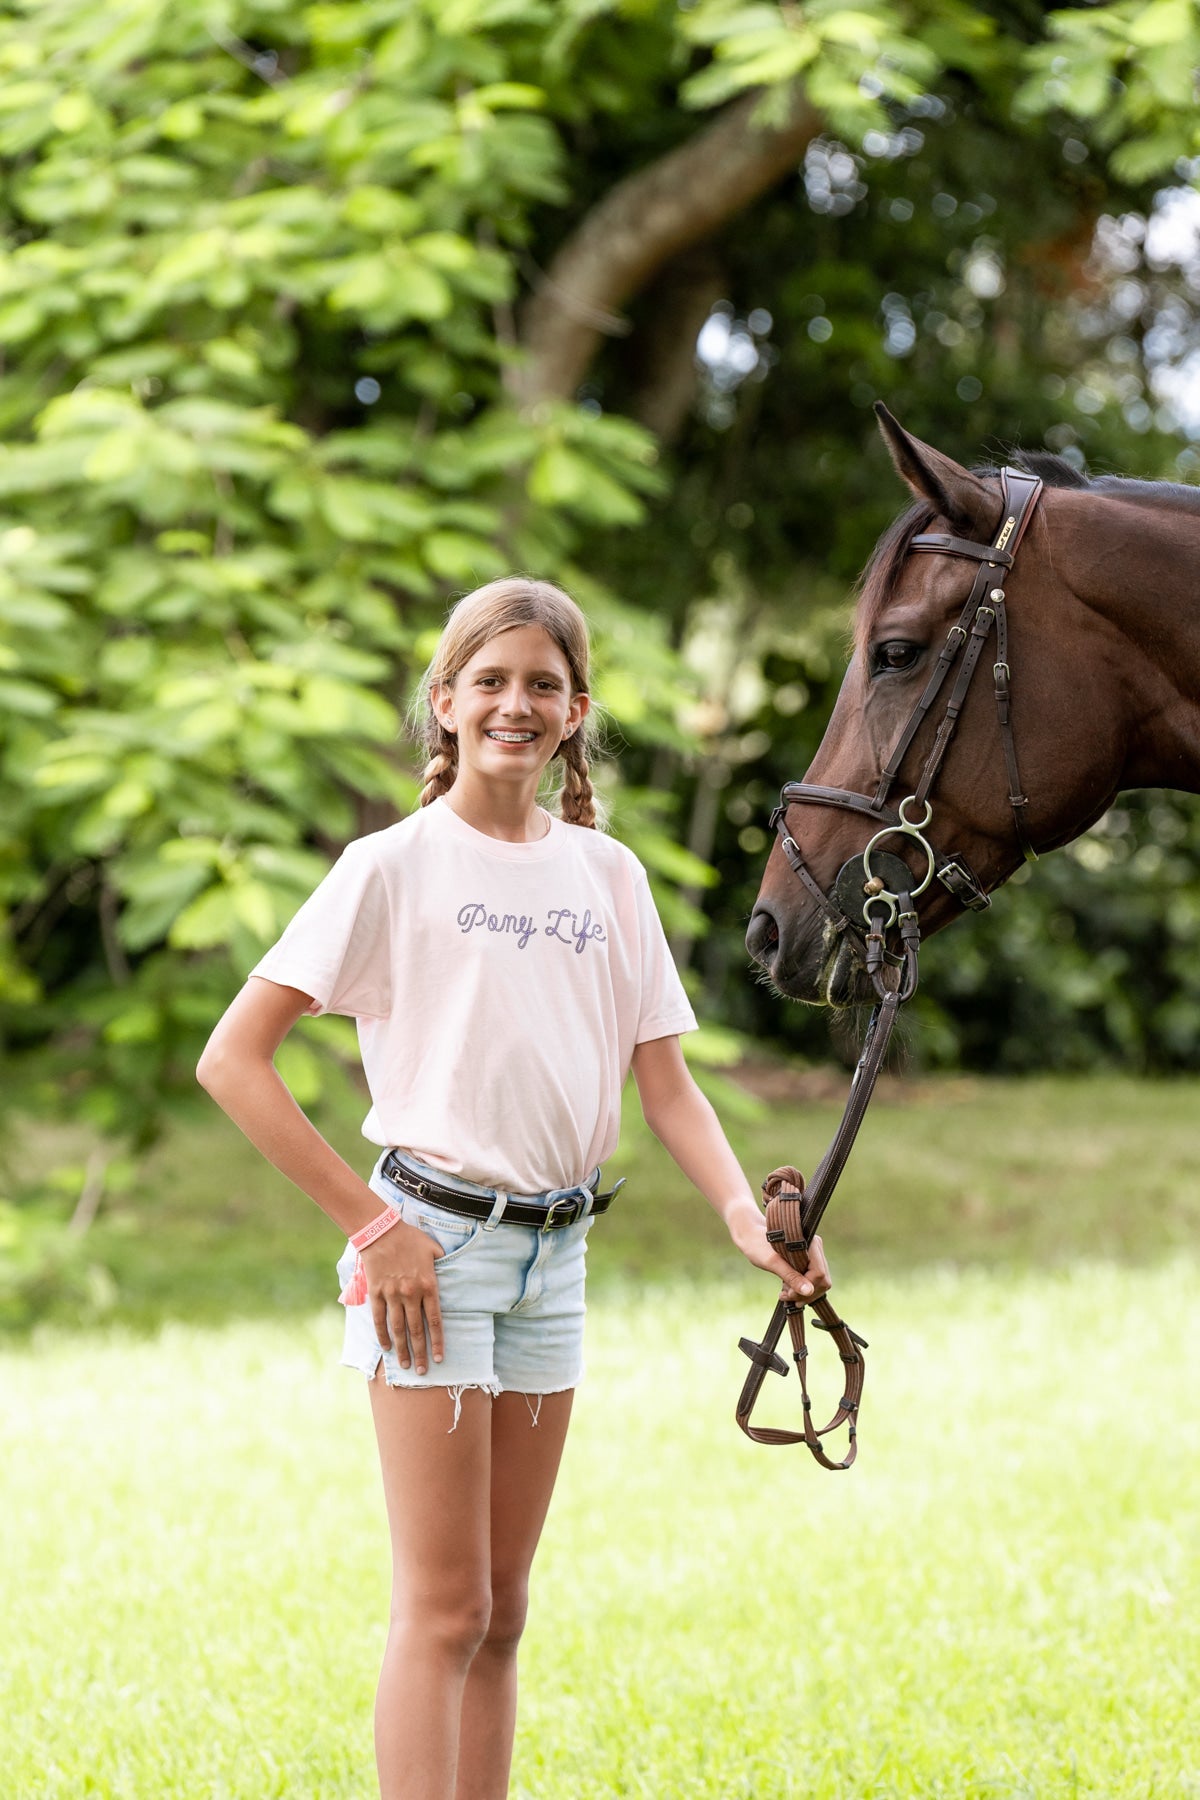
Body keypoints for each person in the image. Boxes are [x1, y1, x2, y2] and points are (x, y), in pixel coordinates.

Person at [196, 576, 830, 1800]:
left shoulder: (609, 878)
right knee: (440, 1610)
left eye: (543, 684)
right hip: (429, 1255)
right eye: (490, 681)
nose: (515, 704)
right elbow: (235, 1060)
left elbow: (670, 1091)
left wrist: (747, 1221)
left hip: (557, 1259)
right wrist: (374, 1228)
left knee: (501, 1610)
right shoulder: (390, 867)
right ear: (444, 704)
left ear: (578, 709)